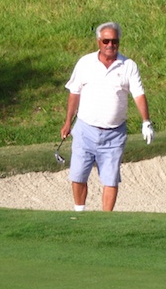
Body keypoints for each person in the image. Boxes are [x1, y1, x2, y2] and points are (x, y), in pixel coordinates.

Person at [60, 22, 154, 212]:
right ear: (99, 42)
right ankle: (79, 212)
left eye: (114, 41)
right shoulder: (85, 63)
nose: (110, 45)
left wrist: (146, 122)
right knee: (78, 175)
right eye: (106, 41)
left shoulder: (128, 65)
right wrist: (67, 121)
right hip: (85, 129)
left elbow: (138, 95)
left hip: (114, 133)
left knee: (110, 179)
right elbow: (74, 93)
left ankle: (105, 219)